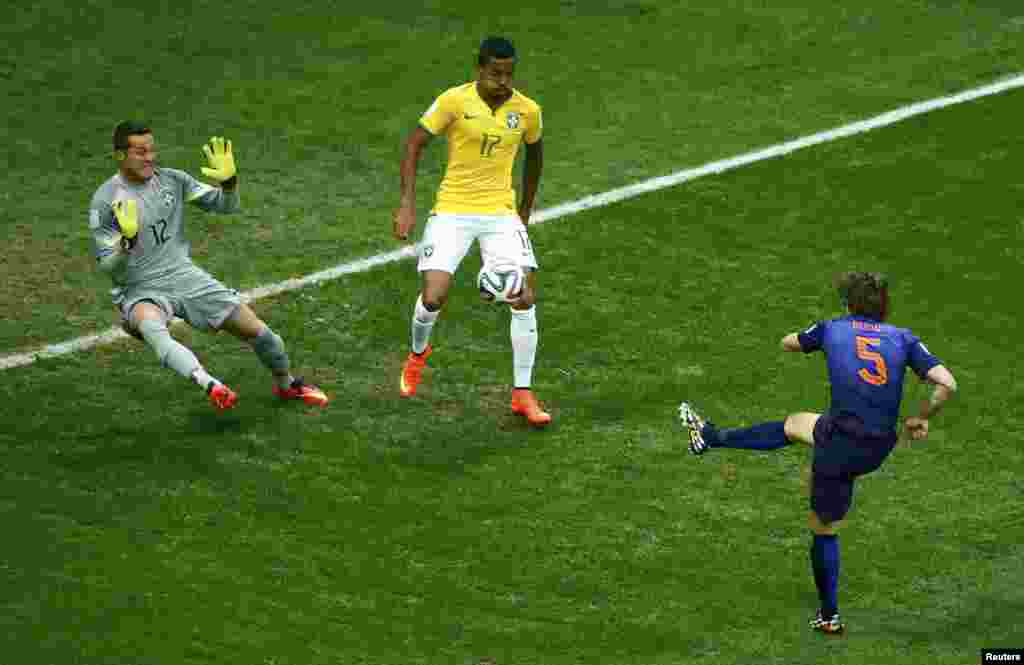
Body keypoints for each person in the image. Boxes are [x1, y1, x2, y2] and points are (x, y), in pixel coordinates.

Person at [677, 272, 956, 634]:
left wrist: (816, 337)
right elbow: (946, 383)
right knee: (795, 424)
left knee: (824, 530)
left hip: (839, 447)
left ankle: (829, 618)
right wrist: (920, 417)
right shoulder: (904, 338)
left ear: (848, 304)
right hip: (877, 444)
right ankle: (709, 437)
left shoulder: (832, 328)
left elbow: (788, 343)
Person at [88, 121, 328, 411]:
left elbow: (226, 205)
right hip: (140, 288)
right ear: (119, 155)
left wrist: (229, 183)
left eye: (152, 150)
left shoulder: (173, 181)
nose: (150, 157)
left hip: (184, 275)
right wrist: (127, 242)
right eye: (140, 152)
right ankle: (210, 384)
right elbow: (110, 269)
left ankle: (287, 385)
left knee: (262, 334)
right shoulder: (105, 201)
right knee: (154, 331)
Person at [391, 36, 550, 425]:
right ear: (479, 69)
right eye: (496, 73)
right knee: (433, 296)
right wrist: (407, 203)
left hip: (500, 213)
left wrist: (524, 213)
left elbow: (535, 159)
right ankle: (417, 355)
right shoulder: (453, 101)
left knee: (524, 296)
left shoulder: (527, 111)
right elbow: (414, 145)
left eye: (509, 74)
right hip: (452, 210)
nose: (503, 81)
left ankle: (522, 394)